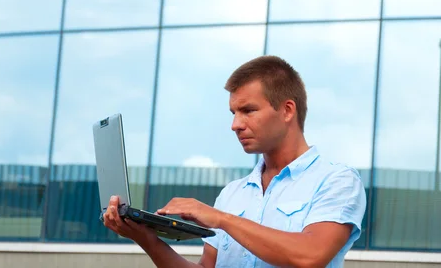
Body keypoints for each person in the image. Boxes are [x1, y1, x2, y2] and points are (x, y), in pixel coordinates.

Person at [102, 55, 367, 267]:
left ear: (287, 110)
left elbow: (310, 256)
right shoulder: (232, 194)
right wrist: (145, 238)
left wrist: (221, 219)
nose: (235, 125)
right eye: (233, 112)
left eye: (248, 110)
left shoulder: (337, 181)